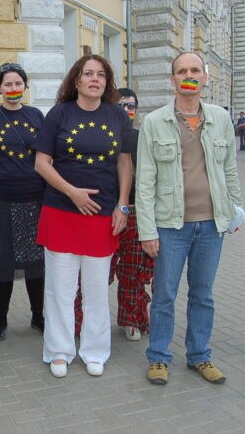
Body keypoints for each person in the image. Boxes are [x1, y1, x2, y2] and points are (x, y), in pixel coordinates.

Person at [137, 52, 242, 386]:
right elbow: (145, 181)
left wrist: (234, 208)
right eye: (182, 71)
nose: (189, 75)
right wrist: (147, 230)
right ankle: (158, 357)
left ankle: (200, 356)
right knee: (164, 295)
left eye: (195, 70)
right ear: (173, 80)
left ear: (205, 77)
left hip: (211, 225)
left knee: (203, 295)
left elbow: (229, 169)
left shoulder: (220, 118)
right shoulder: (155, 121)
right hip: (171, 226)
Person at [34, 54, 134, 378]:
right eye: (88, 74)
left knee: (96, 291)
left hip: (103, 215)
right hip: (62, 212)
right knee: (60, 290)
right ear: (76, 80)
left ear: (107, 82)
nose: (94, 79)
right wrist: (72, 192)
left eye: (101, 75)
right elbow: (41, 163)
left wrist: (122, 205)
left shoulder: (118, 115)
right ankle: (59, 351)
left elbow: (124, 163)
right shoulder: (59, 114)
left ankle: (95, 351)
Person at [0, 63, 45, 342]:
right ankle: (1, 319)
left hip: (33, 196)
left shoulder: (36, 115)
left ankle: (38, 316)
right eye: (8, 84)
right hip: (0, 198)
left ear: (25, 86)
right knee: (3, 260)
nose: (13, 89)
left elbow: (45, 157)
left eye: (18, 83)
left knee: (35, 260)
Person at [108, 88, 155, 341]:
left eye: (131, 106)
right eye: (121, 105)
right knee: (94, 274)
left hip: (136, 213)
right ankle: (83, 322)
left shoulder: (142, 137)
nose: (126, 110)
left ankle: (132, 319)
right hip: (104, 213)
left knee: (132, 272)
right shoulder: (100, 134)